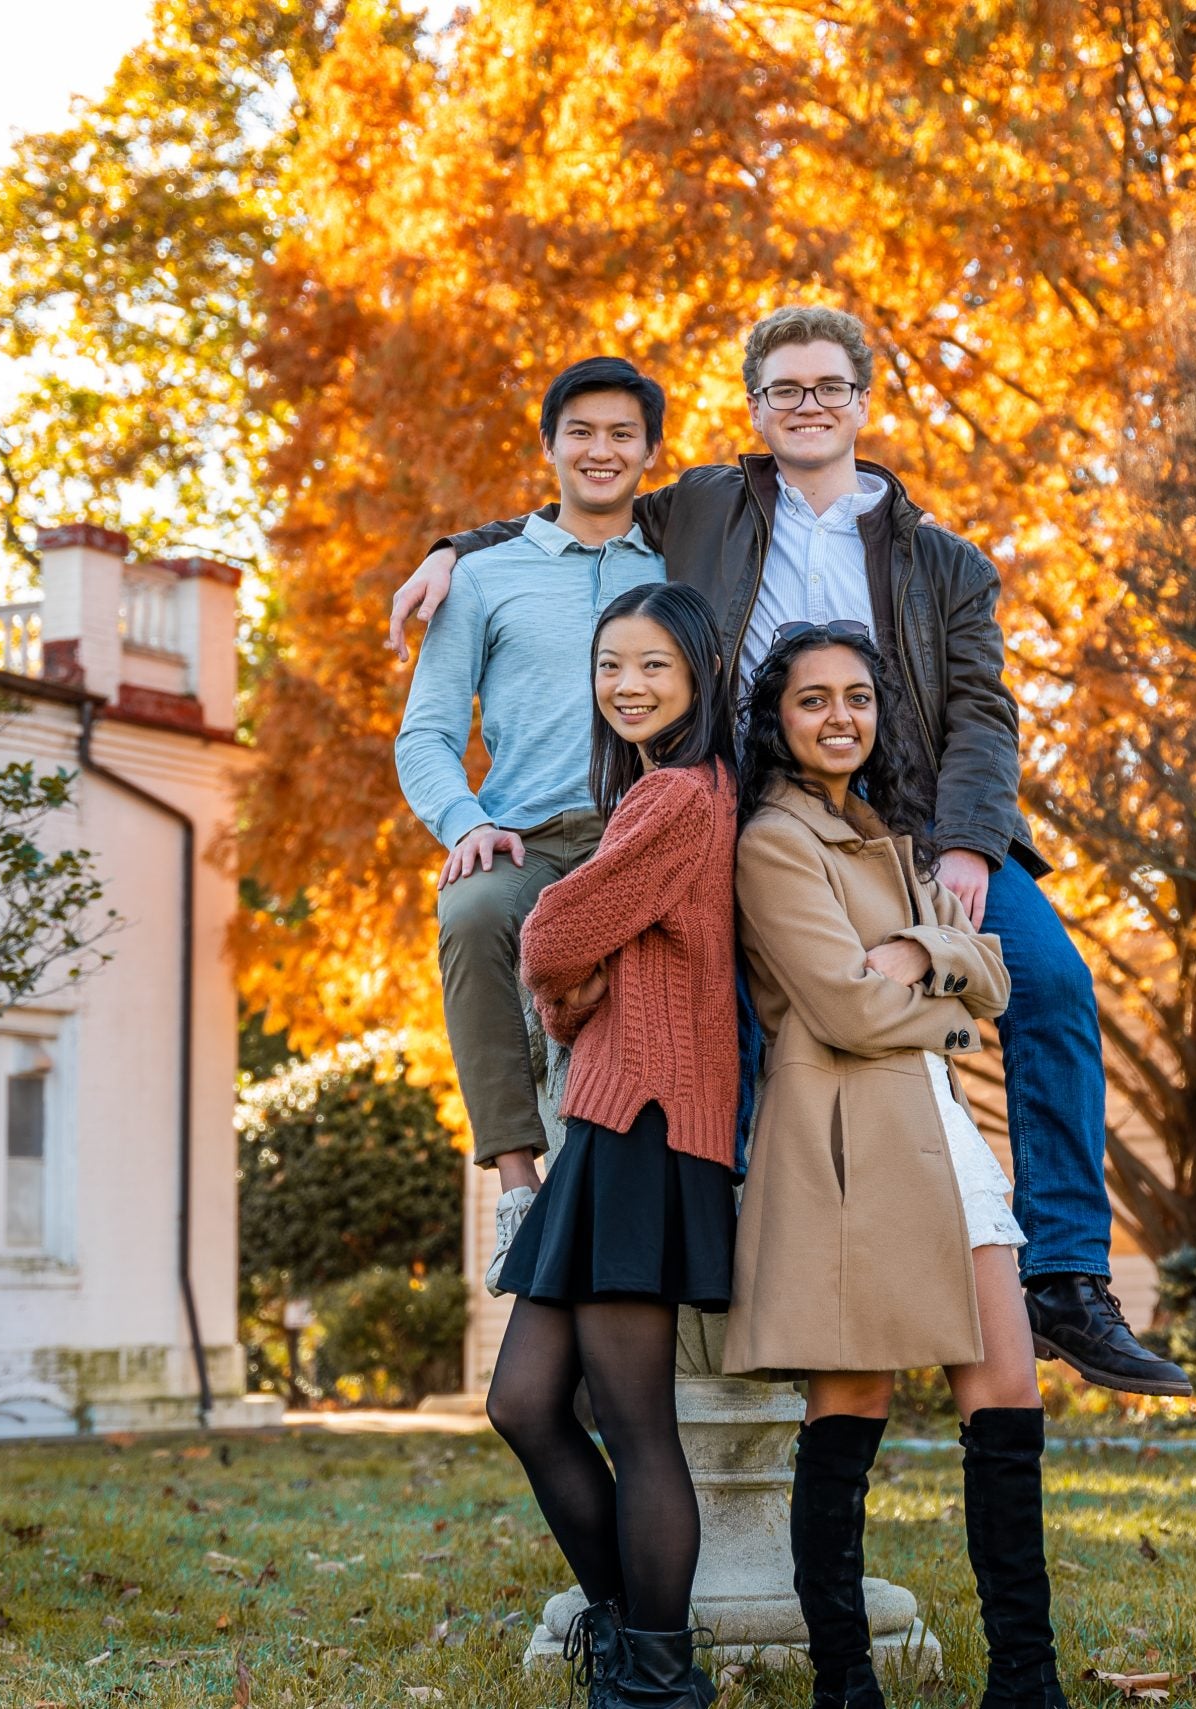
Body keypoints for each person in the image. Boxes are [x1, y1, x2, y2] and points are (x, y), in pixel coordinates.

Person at [388, 306, 1191, 1397]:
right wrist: (455, 547)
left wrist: (964, 844)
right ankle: (758, 1266)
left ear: (863, 401)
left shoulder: (942, 559)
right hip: (756, 817)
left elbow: (982, 712)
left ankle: (1064, 1275)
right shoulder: (712, 504)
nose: (807, 405)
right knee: (745, 1028)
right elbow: (584, 503)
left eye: (828, 387)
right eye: (784, 390)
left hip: (911, 824)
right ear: (755, 410)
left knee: (1049, 983)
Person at [727, 622, 1066, 1709]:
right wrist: (947, 984)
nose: (840, 717)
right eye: (814, 699)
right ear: (777, 719)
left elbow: (997, 976)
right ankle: (843, 1679)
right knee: (853, 1398)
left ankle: (1026, 1676)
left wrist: (922, 951)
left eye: (858, 697)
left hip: (939, 1127)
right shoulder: (773, 842)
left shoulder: (894, 834)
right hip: (846, 1144)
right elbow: (840, 1005)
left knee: (1007, 1391)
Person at [488, 581, 742, 1709]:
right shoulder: (652, 798)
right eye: (610, 666)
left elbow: (550, 929)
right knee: (526, 1402)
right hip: (611, 1116)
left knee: (634, 1421)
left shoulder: (677, 798)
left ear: (695, 679)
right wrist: (570, 990)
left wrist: (563, 986)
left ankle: (658, 1675)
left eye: (652, 666)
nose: (627, 684)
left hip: (642, 1125)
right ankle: (629, 1634)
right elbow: (579, 963)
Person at [392, 357, 667, 1289]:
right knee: (471, 911)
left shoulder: (680, 567)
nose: (601, 450)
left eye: (622, 434)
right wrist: (464, 819)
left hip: (650, 833)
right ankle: (518, 1182)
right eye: (580, 432)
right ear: (549, 445)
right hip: (527, 836)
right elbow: (425, 732)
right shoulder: (482, 577)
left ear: (650, 451)